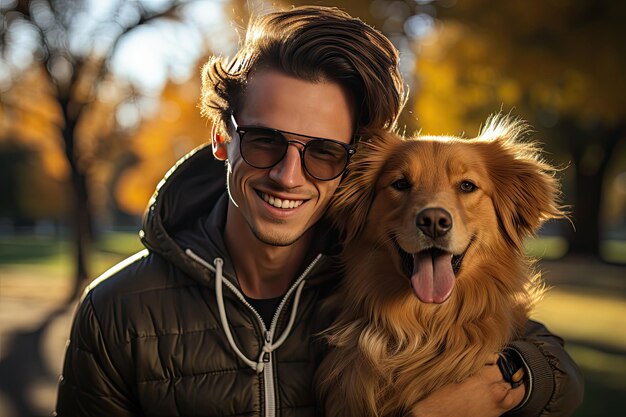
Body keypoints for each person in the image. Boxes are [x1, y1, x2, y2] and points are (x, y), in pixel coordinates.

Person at [55, 5, 583, 417]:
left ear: (350, 169)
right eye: (264, 142)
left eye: (324, 151)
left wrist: (503, 386)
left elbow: (553, 363)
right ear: (222, 138)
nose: (288, 175)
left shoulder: (364, 271)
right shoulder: (115, 312)